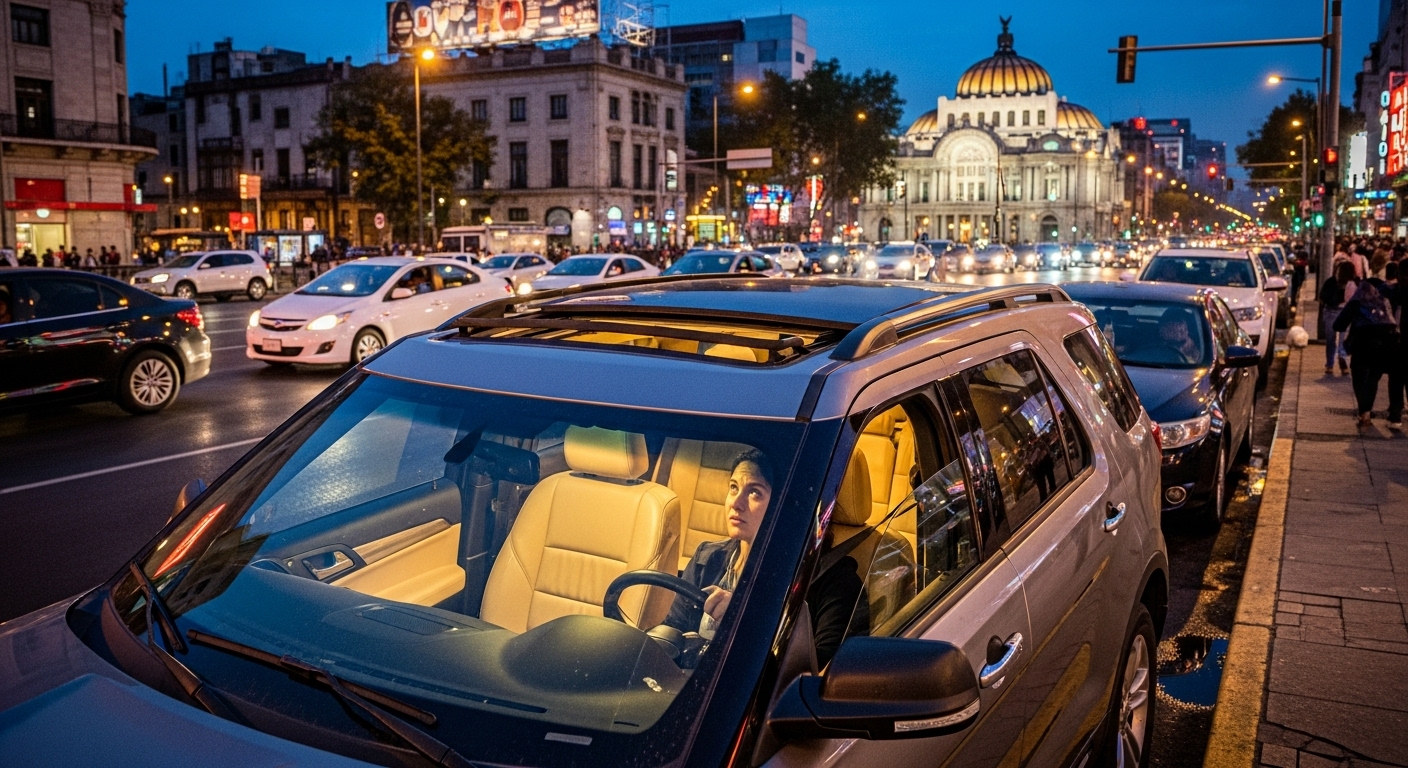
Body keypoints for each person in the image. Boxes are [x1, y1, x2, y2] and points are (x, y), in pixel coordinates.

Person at [662, 449, 866, 669]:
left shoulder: (834, 582)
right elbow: (671, 634)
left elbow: (808, 677)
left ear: (790, 507)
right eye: (733, 488)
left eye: (755, 493)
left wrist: (744, 621)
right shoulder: (707, 559)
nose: (736, 503)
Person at [1334, 273, 1401, 427]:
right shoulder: (1385, 301)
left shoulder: (1357, 301)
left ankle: (1364, 412)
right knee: (1373, 377)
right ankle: (1366, 411)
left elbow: (1338, 325)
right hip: (1385, 346)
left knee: (1359, 377)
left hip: (1362, 344)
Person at [1320, 260, 1357, 376]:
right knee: (1340, 340)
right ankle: (1340, 360)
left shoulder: (1333, 282)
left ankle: (1331, 364)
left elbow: (1323, 297)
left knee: (1331, 340)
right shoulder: (1350, 284)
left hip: (1332, 312)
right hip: (1343, 312)